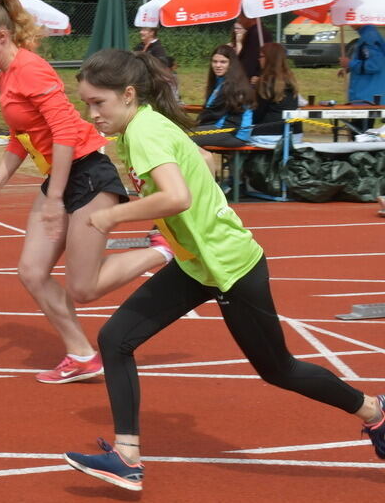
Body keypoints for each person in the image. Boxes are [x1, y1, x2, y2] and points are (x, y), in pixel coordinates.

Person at [63, 48, 385, 491]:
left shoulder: (143, 131)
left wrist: (112, 217)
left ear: (129, 95)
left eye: (97, 102)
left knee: (279, 369)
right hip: (199, 265)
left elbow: (177, 197)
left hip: (231, 266)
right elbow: (204, 166)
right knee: (115, 338)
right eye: (86, 104)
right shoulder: (146, 124)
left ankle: (375, 412)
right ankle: (127, 456)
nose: (91, 112)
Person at [0, 0, 171, 384]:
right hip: (62, 177)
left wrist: (56, 198)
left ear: (1, 37)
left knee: (84, 287)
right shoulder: (7, 75)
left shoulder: (31, 68)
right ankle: (82, 354)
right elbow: (19, 137)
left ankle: (161, 250)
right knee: (32, 271)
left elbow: (63, 131)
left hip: (88, 174)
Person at [190, 45, 256, 148]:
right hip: (222, 129)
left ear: (231, 64)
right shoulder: (220, 81)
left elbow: (212, 114)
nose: (218, 65)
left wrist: (192, 124)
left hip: (234, 133)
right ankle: (206, 159)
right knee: (183, 135)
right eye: (215, 61)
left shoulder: (233, 85)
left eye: (223, 62)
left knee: (184, 137)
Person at [250, 42, 302, 145]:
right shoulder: (291, 80)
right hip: (295, 134)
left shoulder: (264, 82)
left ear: (269, 59)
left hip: (269, 135)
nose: (258, 59)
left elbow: (258, 114)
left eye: (261, 56)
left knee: (238, 136)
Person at [339, 24, 385, 132]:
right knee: (361, 131)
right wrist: (350, 68)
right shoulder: (369, 35)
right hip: (367, 94)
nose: (349, 24)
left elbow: (375, 65)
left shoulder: (369, 38)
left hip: (366, 96)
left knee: (360, 134)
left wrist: (350, 63)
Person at [236, 12, 272, 81]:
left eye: (240, 17)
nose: (239, 21)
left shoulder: (256, 34)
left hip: (253, 80)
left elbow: (250, 60)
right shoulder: (255, 32)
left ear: (249, 17)